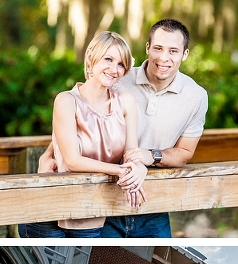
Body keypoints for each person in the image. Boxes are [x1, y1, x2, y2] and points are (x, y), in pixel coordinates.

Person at [38, 19, 208, 238]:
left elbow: (185, 153)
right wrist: (48, 153)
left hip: (150, 199)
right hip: (105, 192)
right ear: (147, 48)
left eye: (173, 51)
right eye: (158, 48)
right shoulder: (117, 75)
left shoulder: (196, 96)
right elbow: (80, 116)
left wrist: (147, 157)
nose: (163, 58)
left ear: (184, 54)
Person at [20, 31, 147, 238]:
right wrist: (120, 170)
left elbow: (132, 151)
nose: (114, 69)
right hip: (50, 209)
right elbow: (72, 161)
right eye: (108, 59)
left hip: (91, 208)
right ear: (90, 57)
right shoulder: (66, 101)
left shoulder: (126, 100)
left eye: (121, 64)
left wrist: (138, 168)